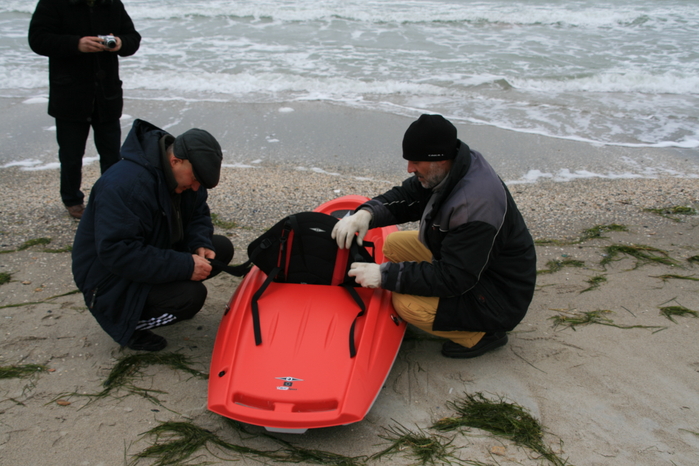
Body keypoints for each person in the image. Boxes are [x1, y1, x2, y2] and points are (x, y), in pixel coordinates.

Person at [332, 114, 536, 359]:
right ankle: (425, 288)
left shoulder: (476, 205)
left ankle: (483, 336)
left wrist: (384, 275)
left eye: (415, 161)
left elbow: (454, 278)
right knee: (393, 244)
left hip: (496, 295)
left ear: (440, 159)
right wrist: (365, 214)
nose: (409, 168)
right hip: (474, 264)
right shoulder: (452, 168)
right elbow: (407, 197)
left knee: (407, 305)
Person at [72, 119, 234, 351]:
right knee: (191, 296)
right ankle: (129, 326)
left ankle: (166, 300)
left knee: (220, 249)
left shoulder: (186, 178)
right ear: (175, 160)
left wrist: (200, 241)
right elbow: (118, 253)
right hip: (107, 280)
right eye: (196, 179)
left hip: (151, 247)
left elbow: (198, 214)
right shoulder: (126, 185)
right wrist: (184, 266)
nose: (197, 187)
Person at [28, 0, 141, 219]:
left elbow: (133, 38)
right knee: (71, 155)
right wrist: (76, 44)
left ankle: (111, 199)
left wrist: (120, 43)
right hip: (69, 94)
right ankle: (72, 200)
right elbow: (37, 40)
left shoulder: (111, 4)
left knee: (111, 154)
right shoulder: (53, 4)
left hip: (106, 95)